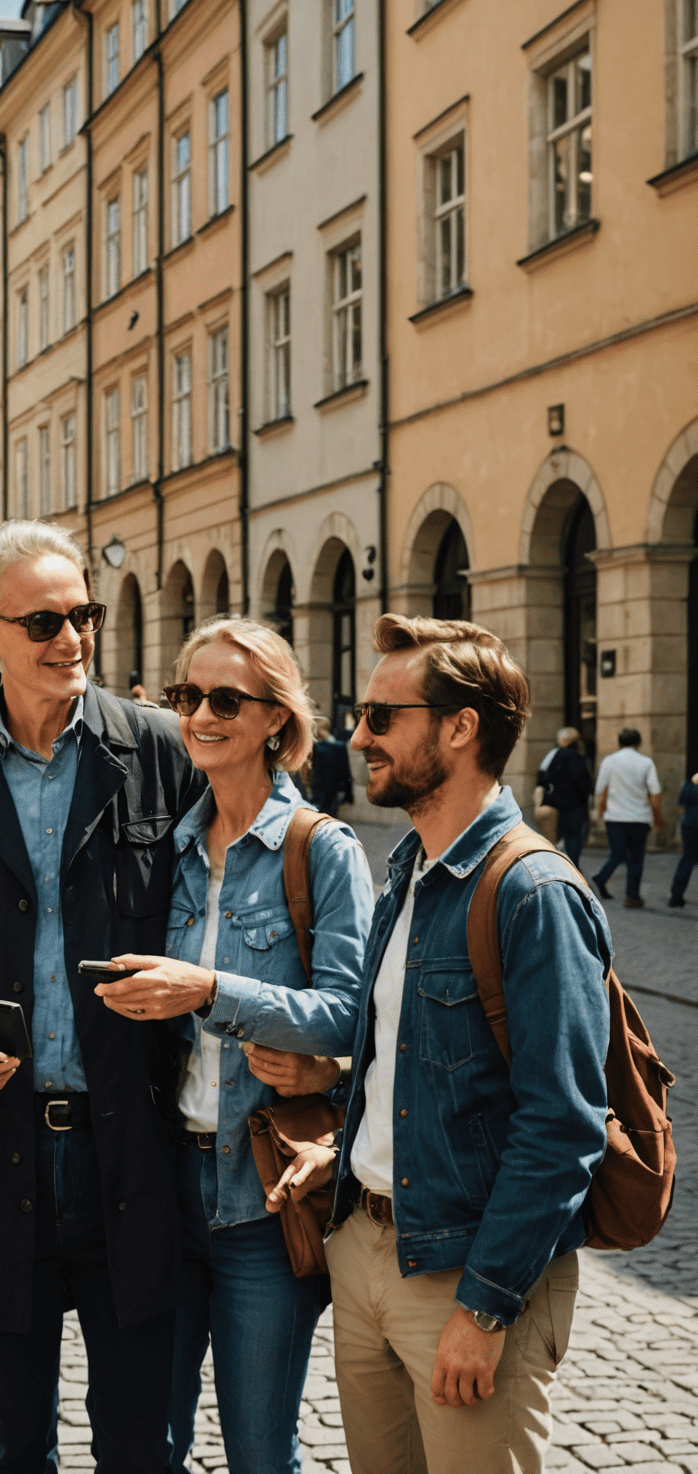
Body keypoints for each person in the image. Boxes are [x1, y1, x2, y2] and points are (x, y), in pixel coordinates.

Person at [0, 520, 204, 1474]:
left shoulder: (157, 749)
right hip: (2, 1144)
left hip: (134, 1146)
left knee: (143, 1446)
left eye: (83, 616)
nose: (71, 639)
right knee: (15, 1446)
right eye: (44, 622)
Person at [272, 614, 611, 1474]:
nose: (358, 736)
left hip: (463, 1276)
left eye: (383, 717)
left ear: (460, 729)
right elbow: (402, 1055)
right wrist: (347, 1153)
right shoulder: (409, 868)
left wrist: (487, 1308)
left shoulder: (534, 892)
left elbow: (563, 1125)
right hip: (368, 1252)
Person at [91, 619, 372, 1474]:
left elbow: (352, 1013)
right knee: (148, 1442)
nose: (199, 716)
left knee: (258, 1449)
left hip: (264, 1197)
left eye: (224, 699)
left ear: (275, 721)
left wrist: (214, 992)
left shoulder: (321, 849)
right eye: (186, 697)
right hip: (164, 1188)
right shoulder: (168, 851)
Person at [592, 727, 663, 908]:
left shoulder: (609, 761)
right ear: (639, 743)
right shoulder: (646, 762)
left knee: (617, 853)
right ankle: (632, 896)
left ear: (619, 742)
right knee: (637, 858)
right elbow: (655, 792)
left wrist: (600, 811)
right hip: (639, 817)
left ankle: (601, 877)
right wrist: (657, 818)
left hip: (615, 817)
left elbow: (600, 788)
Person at [536, 726, 594, 870]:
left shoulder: (552, 756)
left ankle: (558, 868)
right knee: (573, 839)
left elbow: (541, 779)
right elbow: (582, 782)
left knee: (556, 839)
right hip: (575, 806)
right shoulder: (577, 758)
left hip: (555, 804)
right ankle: (572, 868)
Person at [310, 716, 354, 818]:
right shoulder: (338, 746)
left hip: (320, 790)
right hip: (333, 790)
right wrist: (348, 792)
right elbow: (345, 771)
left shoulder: (317, 747)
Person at [670, 771, 698, 906]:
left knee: (688, 858)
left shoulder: (691, 781)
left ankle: (676, 896)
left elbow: (682, 800)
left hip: (689, 823)